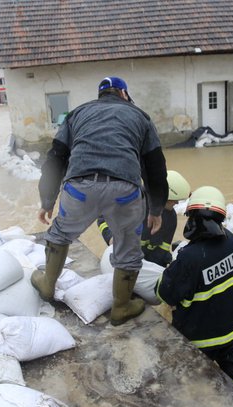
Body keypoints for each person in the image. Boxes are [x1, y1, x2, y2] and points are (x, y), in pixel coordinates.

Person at [32, 76, 169, 326]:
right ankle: (121, 307)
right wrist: (157, 207)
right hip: (125, 190)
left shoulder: (77, 114)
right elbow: (155, 165)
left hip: (79, 187)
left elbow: (56, 157)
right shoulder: (140, 117)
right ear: (124, 94)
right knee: (128, 247)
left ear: (100, 95)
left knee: (60, 234)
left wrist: (47, 199)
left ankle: (47, 286)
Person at [155, 186, 233, 392]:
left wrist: (172, 269)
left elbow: (165, 293)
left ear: (191, 216)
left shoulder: (190, 257)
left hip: (203, 336)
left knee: (190, 378)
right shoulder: (232, 240)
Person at [97, 170, 191, 267]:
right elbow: (102, 217)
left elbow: (161, 249)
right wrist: (110, 238)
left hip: (143, 265)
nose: (177, 204)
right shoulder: (130, 199)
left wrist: (167, 261)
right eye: (174, 201)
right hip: (121, 259)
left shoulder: (171, 218)